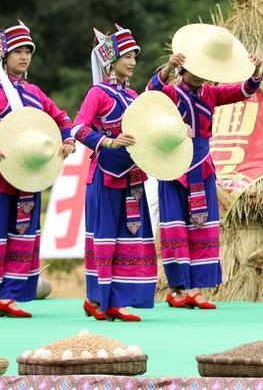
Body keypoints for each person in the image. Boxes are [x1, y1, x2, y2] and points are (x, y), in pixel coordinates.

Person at [0, 21, 75, 318]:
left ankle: (8, 295)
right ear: (4, 56)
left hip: (29, 173)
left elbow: (62, 118)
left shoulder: (34, 93)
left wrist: (68, 140)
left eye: (28, 52)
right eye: (17, 51)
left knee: (23, 233)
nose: (23, 57)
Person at [148, 36, 262, 310]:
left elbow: (245, 91)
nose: (200, 73)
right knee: (175, 228)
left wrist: (256, 71)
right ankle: (177, 290)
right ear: (183, 69)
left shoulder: (212, 93)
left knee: (201, 227)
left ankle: (196, 289)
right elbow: (151, 91)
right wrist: (165, 68)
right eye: (194, 67)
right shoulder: (172, 93)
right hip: (173, 167)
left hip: (202, 166)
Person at [72, 25, 157, 322]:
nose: (132, 61)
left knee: (127, 238)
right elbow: (78, 128)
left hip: (132, 176)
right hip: (105, 176)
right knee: (106, 238)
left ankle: (113, 300)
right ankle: (100, 301)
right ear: (111, 60)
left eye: (134, 55)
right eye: (126, 56)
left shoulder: (133, 95)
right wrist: (108, 141)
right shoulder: (97, 93)